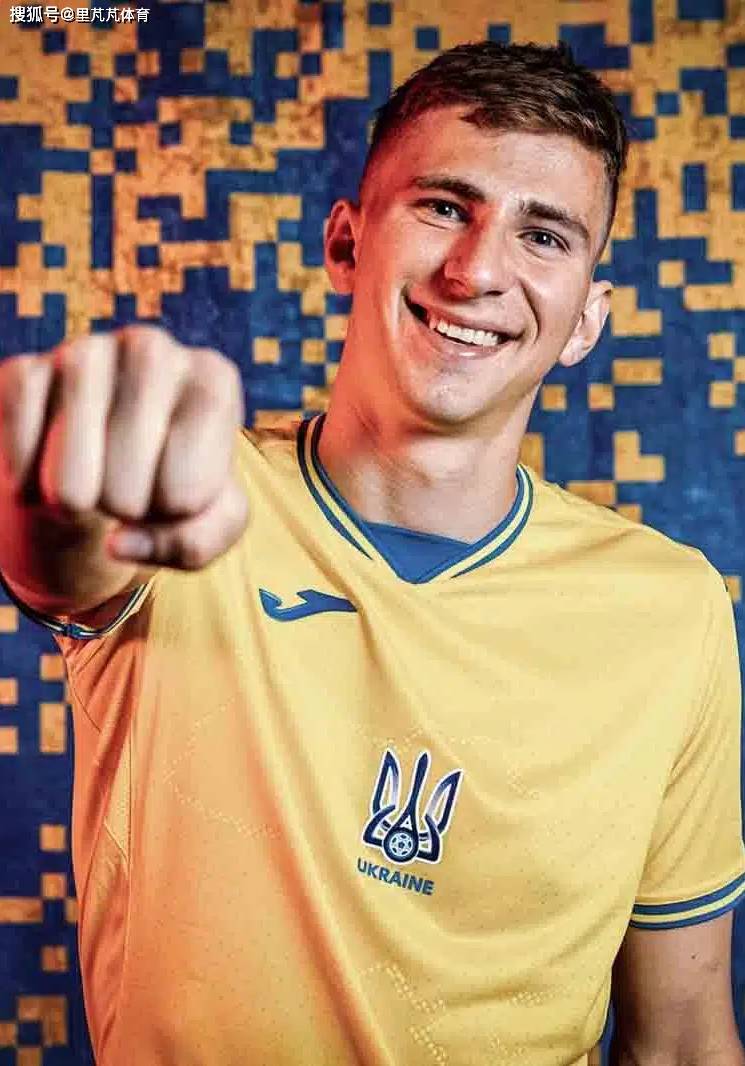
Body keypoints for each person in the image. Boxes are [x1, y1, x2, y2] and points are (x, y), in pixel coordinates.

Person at [0, 39, 743, 1066]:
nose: (476, 270)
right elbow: (63, 557)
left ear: (586, 318)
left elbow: (683, 1041)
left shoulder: (669, 609)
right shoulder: (188, 500)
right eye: (442, 207)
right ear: (346, 244)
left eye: (542, 235)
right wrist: (57, 488)